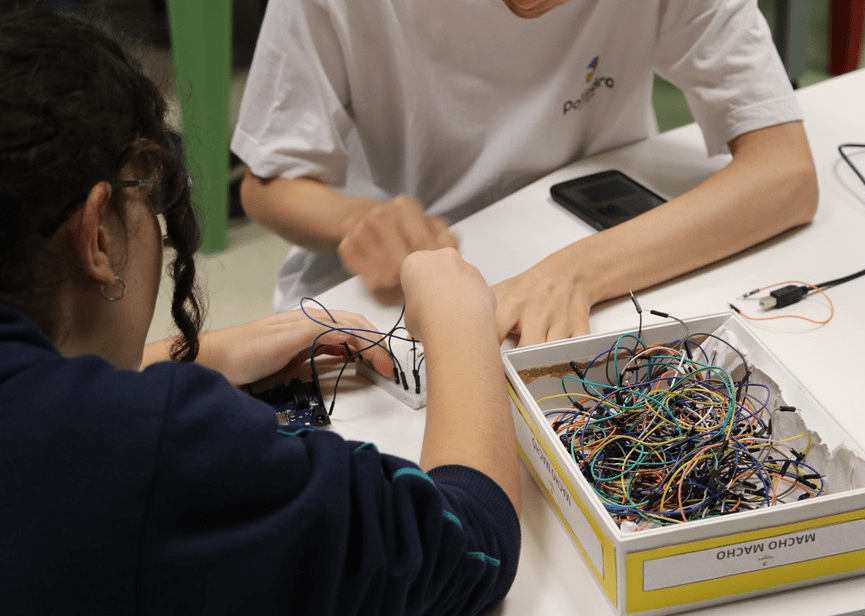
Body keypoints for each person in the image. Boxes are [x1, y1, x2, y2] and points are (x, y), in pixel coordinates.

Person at [0, 3, 520, 614]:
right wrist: (461, 324)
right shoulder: (151, 455)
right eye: (152, 202)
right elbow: (466, 551)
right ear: (97, 236)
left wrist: (191, 356)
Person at [232, 0, 819, 346]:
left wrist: (577, 274)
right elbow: (268, 182)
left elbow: (785, 171)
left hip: (605, 254)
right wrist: (352, 221)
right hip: (388, 296)